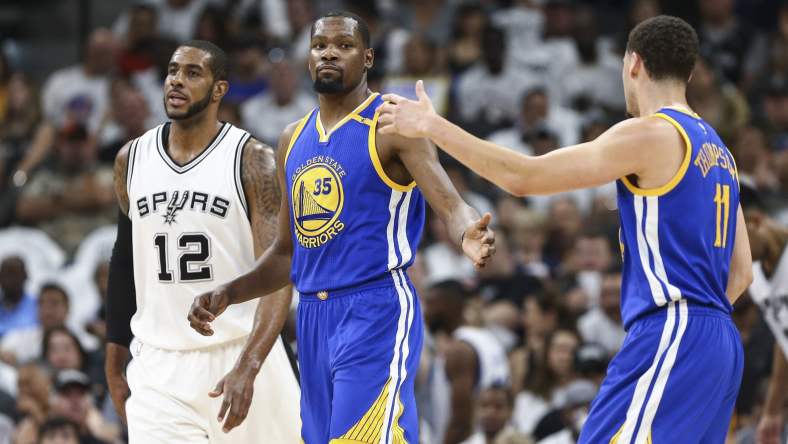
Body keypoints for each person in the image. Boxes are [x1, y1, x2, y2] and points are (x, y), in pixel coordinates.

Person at [379, 15, 753, 443]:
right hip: (720, 342)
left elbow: (524, 177)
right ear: (688, 72)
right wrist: (700, 327)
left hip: (673, 329)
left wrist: (433, 126)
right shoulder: (721, 153)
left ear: (633, 64)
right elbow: (741, 274)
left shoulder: (651, 133)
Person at [187, 11, 495, 444]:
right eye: (320, 45)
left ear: (367, 58)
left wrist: (467, 232)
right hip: (312, 317)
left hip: (375, 307)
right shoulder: (292, 139)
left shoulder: (393, 124)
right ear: (308, 59)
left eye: (344, 45)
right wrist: (229, 292)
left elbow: (450, 202)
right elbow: (286, 254)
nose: (329, 52)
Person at [104, 40, 300, 443]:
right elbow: (124, 260)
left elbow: (280, 270)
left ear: (219, 90)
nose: (177, 81)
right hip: (159, 363)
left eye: (193, 73)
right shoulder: (131, 159)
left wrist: (250, 364)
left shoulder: (252, 160)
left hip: (241, 350)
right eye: (173, 71)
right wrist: (114, 356)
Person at [422, 280, 510, 444]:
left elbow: (461, 421)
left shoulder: (460, 350)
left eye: (431, 304)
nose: (427, 313)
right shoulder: (488, 339)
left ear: (448, 305)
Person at [743, 185, 788, 444]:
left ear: (756, 222)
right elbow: (784, 341)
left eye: (733, 238)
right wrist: (772, 410)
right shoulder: (756, 278)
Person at [0, 256, 37, 338]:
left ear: (25, 276)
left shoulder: (38, 306)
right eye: (5, 275)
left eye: (14, 275)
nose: (9, 280)